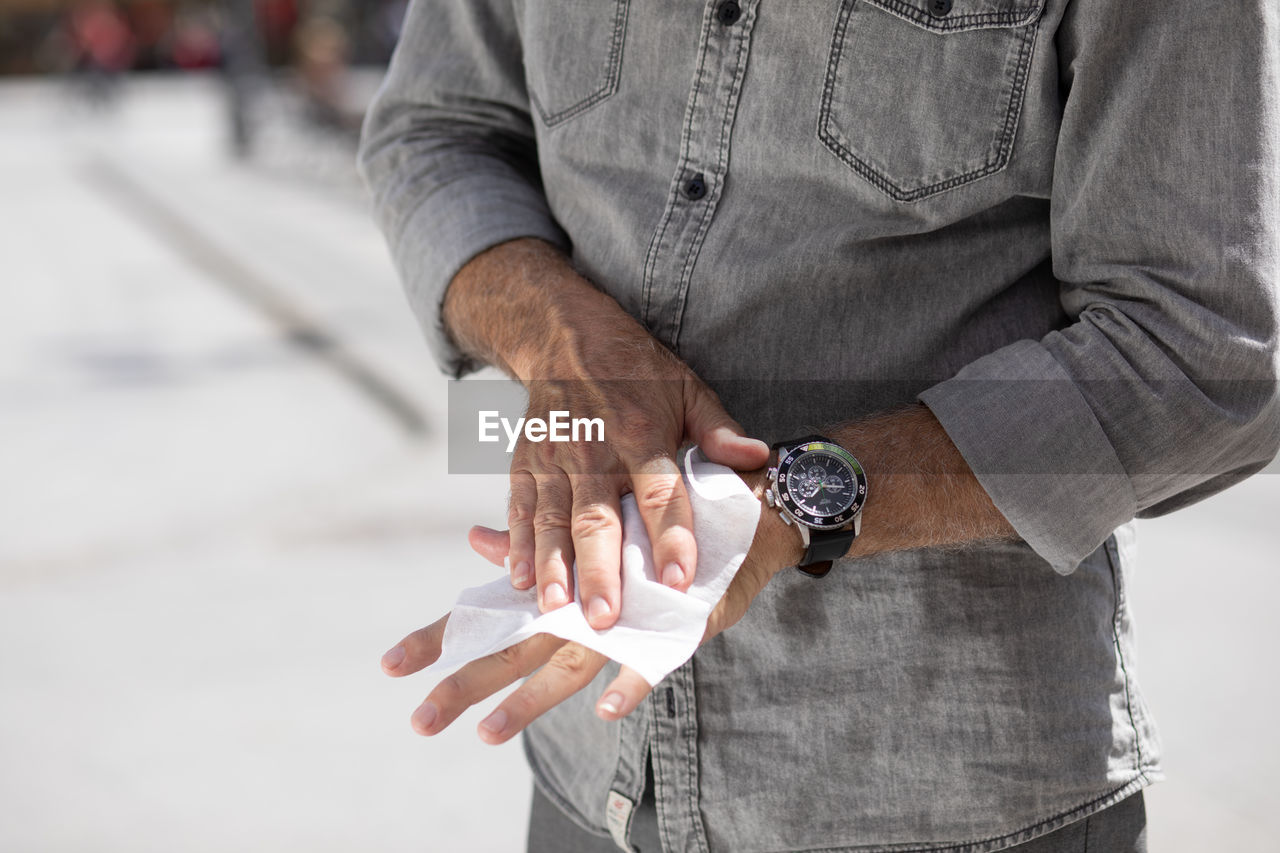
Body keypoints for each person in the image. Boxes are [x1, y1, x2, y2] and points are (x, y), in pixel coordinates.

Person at [358, 1, 1279, 850]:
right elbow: (436, 131)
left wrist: (781, 508)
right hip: (586, 779)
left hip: (940, 796)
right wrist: (559, 337)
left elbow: (1202, 349)